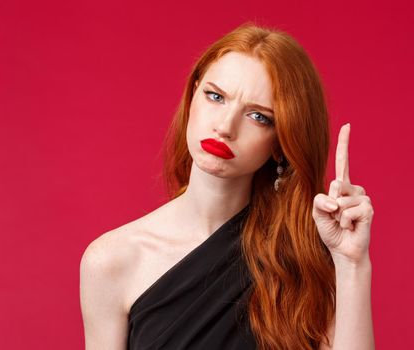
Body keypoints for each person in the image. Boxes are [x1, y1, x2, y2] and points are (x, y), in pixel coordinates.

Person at [80, 22, 375, 350]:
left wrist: (352, 264)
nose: (225, 126)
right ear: (192, 95)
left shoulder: (307, 255)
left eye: (258, 116)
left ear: (281, 142)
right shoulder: (111, 261)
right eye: (215, 96)